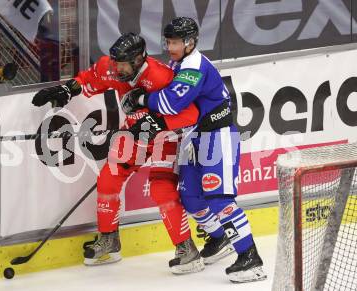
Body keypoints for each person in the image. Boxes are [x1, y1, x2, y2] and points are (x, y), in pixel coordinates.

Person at [32, 33, 204, 274]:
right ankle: (109, 241)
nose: (116, 69)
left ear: (138, 60)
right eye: (115, 63)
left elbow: (191, 113)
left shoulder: (160, 77)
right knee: (107, 180)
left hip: (167, 138)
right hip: (133, 136)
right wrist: (66, 90)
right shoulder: (111, 67)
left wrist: (154, 123)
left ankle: (187, 251)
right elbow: (89, 78)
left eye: (122, 64)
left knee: (161, 188)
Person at [124, 17, 267, 283]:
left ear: (190, 42)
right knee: (191, 198)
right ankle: (219, 237)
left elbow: (169, 103)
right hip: (195, 138)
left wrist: (142, 99)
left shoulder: (194, 66)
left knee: (220, 199)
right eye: (167, 41)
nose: (169, 47)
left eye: (175, 42)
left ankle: (250, 257)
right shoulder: (178, 63)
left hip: (218, 137)